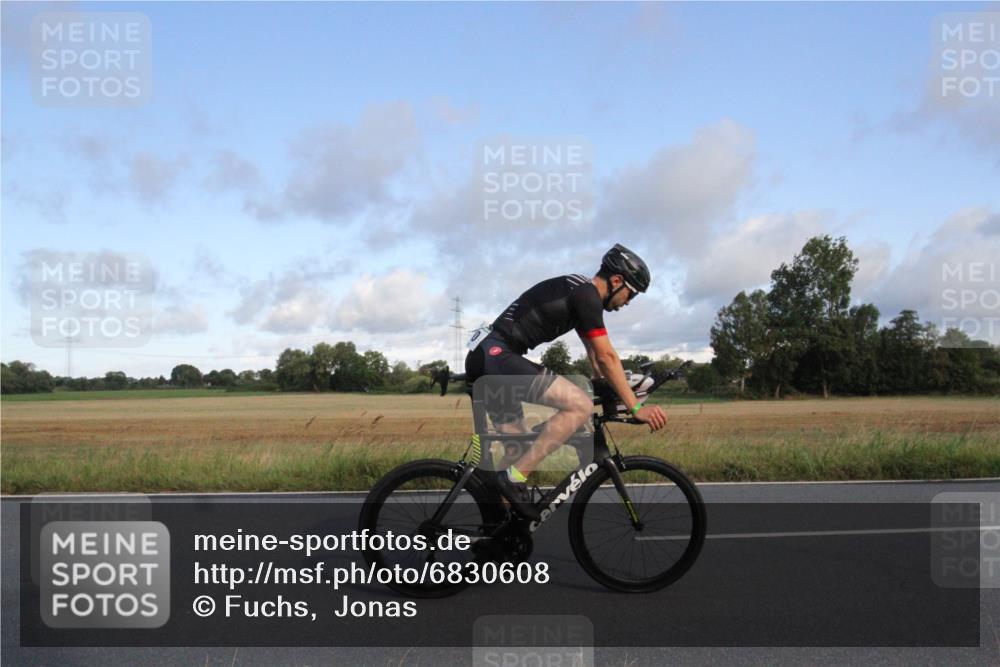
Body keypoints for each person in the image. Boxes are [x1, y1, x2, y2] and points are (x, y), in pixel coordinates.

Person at [464, 244, 668, 520]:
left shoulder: (581, 295)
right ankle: (512, 480)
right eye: (631, 294)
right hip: (497, 356)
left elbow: (597, 360)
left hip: (487, 358)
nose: (628, 302)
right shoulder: (587, 296)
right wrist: (634, 408)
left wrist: (612, 393)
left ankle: (498, 538)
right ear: (617, 281)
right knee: (579, 406)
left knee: (517, 453)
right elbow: (608, 357)